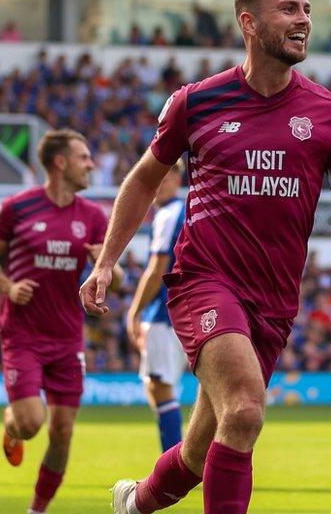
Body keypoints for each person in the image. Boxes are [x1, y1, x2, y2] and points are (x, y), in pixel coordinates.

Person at [79, 0, 331, 514]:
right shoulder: (197, 102)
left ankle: (134, 503)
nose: (303, 19)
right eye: (288, 9)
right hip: (203, 281)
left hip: (274, 300)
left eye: (306, 9)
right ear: (248, 22)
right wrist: (107, 261)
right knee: (247, 410)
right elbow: (142, 181)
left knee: (200, 446)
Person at [0, 129, 123, 514]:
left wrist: (102, 264)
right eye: (84, 157)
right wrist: (8, 287)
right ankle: (11, 430)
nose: (91, 164)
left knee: (62, 430)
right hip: (22, 334)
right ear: (60, 162)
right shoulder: (18, 207)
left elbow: (118, 277)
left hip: (67, 337)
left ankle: (36, 509)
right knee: (30, 423)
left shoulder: (93, 216)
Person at [126, 161, 189, 452]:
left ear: (177, 178)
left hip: (166, 314)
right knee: (159, 385)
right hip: (187, 309)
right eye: (154, 179)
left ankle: (174, 461)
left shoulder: (169, 213)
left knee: (160, 386)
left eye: (164, 178)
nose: (158, 185)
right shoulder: (189, 208)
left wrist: (134, 310)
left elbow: (157, 267)